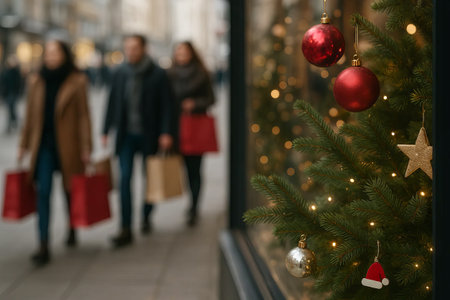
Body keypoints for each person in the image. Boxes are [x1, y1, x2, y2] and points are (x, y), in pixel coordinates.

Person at [18, 40, 92, 266]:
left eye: (55, 52)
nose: (50, 57)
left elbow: (83, 116)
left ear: (64, 55)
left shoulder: (77, 81)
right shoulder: (36, 80)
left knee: (69, 190)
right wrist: (24, 144)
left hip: (68, 145)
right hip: (44, 146)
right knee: (43, 192)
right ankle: (43, 243)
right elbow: (30, 115)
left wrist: (86, 147)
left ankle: (72, 226)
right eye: (47, 53)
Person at [102, 34, 174, 248]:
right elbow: (112, 101)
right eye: (127, 48)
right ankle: (125, 227)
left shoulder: (158, 74)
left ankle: (146, 214)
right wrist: (105, 130)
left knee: (149, 179)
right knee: (124, 179)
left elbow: (168, 105)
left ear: (144, 48)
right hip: (126, 136)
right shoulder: (120, 72)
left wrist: (166, 132)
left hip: (149, 135)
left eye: (134, 48)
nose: (130, 52)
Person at [168, 41, 215, 226]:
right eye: (178, 51)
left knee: (194, 170)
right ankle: (189, 203)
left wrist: (195, 104)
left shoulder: (202, 73)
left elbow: (212, 98)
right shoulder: (169, 75)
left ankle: (194, 206)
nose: (181, 54)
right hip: (175, 127)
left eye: (185, 51)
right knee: (179, 168)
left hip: (196, 127)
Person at [1, 56, 22, 133]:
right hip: (7, 93)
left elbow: (19, 83)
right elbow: (2, 81)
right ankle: (14, 120)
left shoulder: (16, 72)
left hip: (13, 93)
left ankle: (10, 123)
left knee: (11, 107)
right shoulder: (5, 71)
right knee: (10, 108)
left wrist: (18, 92)